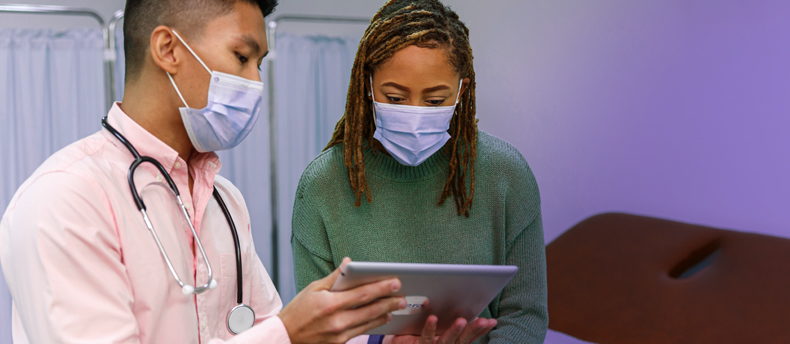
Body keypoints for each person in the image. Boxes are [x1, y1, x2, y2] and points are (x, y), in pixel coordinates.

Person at [0, 0, 493, 343]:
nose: (256, 81)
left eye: (260, 62)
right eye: (242, 56)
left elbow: (270, 329)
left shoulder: (224, 202)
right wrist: (290, 333)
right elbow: (280, 335)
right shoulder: (65, 200)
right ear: (168, 50)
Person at [291, 0, 549, 343]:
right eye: (396, 98)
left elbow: (526, 316)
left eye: (434, 101)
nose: (414, 114)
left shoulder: (506, 176)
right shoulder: (323, 186)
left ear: (462, 90)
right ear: (368, 86)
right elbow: (314, 329)